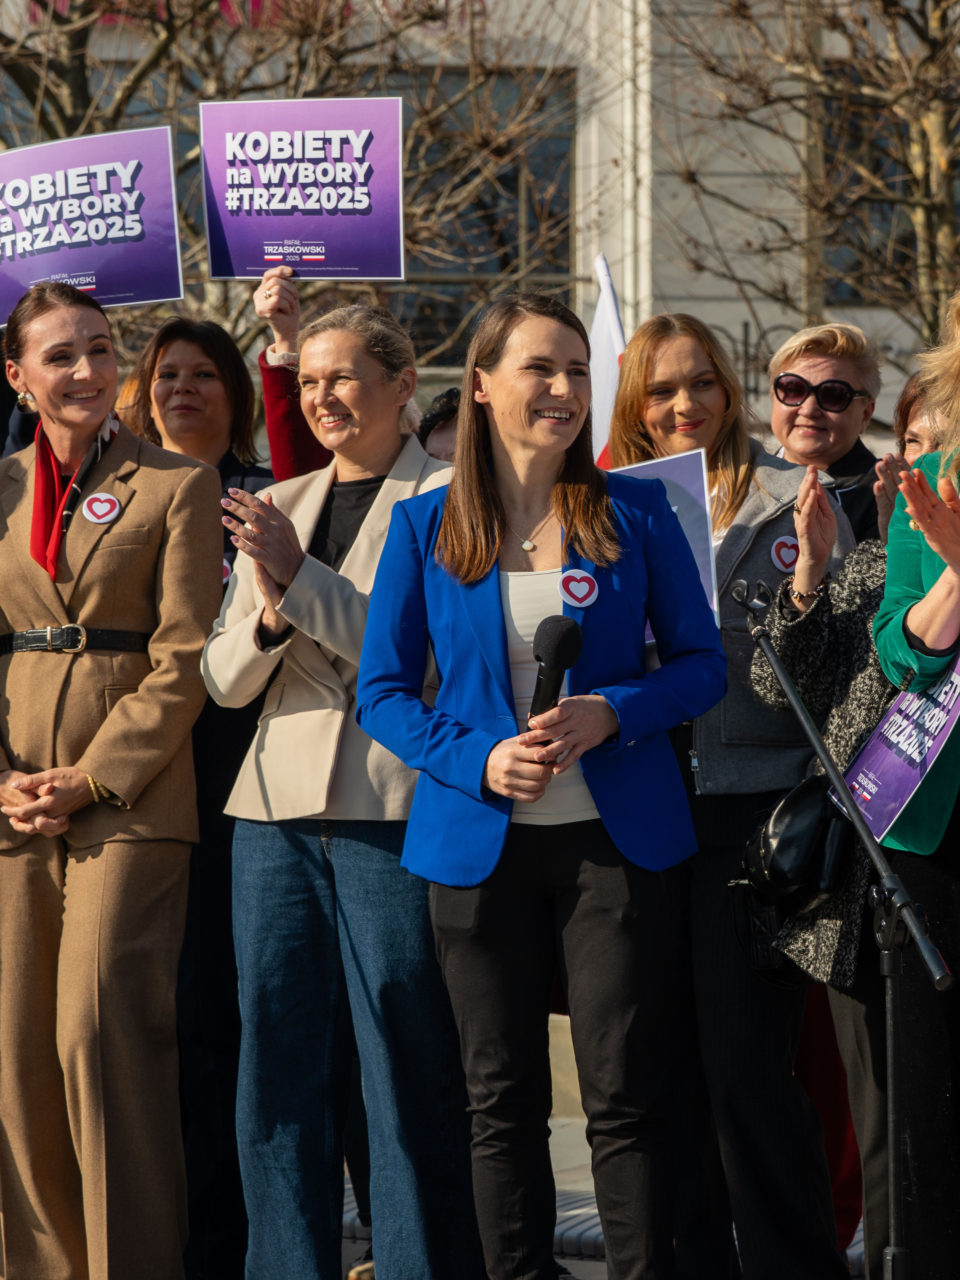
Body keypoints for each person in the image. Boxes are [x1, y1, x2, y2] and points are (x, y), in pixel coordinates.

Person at [356, 293, 727, 1280]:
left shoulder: (641, 510)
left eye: (576, 369)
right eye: (540, 368)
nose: (565, 388)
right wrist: (476, 757)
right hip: (476, 846)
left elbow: (701, 665)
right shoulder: (425, 523)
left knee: (623, 1093)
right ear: (481, 384)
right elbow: (383, 694)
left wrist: (614, 709)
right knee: (499, 1097)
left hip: (619, 841)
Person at [201, 304, 481, 1280]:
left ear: (403, 386)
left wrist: (299, 577)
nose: (321, 395)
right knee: (274, 1069)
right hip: (269, 813)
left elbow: (430, 662)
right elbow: (224, 679)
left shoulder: (456, 496)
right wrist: (272, 617)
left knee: (403, 1065)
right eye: (308, 379)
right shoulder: (279, 496)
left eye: (344, 376)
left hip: (392, 807)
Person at [607, 311, 855, 1279]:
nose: (684, 404)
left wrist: (807, 585)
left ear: (729, 389)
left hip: (752, 811)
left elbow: (830, 664)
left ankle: (798, 1264)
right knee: (654, 1069)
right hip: (639, 802)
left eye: (701, 382)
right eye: (662, 388)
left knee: (748, 1067)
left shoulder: (792, 495)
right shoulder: (603, 505)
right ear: (635, 401)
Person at [0, 282, 223, 1279]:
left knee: (98, 1030)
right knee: (15, 1051)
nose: (86, 369)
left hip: (127, 802)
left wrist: (90, 775)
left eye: (100, 348)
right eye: (60, 354)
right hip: (9, 804)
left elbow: (184, 657)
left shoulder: (175, 482)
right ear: (18, 376)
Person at [127, 317, 272, 1278]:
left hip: (240, 789)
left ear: (237, 394)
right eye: (167, 374)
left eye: (204, 374)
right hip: (133, 786)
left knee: (220, 1021)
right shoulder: (113, 499)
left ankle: (225, 1246)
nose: (184, 388)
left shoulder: (266, 500)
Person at [864, 291, 960, 1279]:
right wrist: (958, 567)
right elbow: (901, 650)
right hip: (932, 831)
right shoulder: (927, 485)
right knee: (924, 1097)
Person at [769, 322, 881, 540]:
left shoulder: (888, 497)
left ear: (866, 413)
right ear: (773, 396)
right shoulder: (741, 482)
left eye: (833, 394)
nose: (809, 410)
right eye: (792, 389)